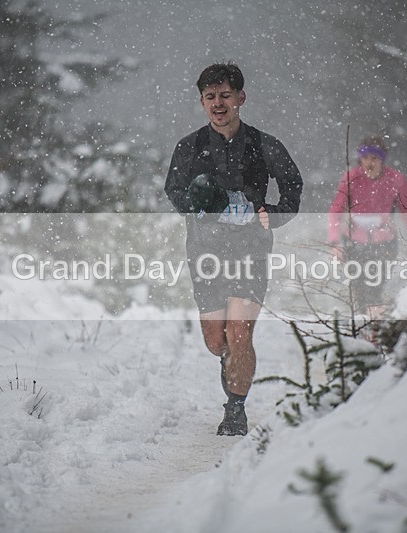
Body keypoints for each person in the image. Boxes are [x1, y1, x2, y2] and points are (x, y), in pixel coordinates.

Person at [164, 62, 303, 436]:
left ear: (241, 98)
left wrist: (272, 215)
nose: (218, 103)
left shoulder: (263, 144)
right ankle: (231, 363)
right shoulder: (189, 147)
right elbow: (173, 191)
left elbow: (293, 185)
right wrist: (200, 206)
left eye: (225, 95)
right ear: (202, 102)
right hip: (205, 252)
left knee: (240, 334)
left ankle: (236, 409)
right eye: (210, 97)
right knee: (217, 340)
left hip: (250, 249)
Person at [327, 134, 407, 323]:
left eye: (374, 158)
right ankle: (364, 328)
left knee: (375, 288)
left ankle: (374, 329)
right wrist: (335, 243)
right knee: (359, 291)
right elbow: (335, 211)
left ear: (382, 159)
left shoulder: (396, 179)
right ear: (359, 159)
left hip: (385, 243)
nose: (369, 163)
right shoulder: (351, 178)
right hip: (354, 242)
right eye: (365, 158)